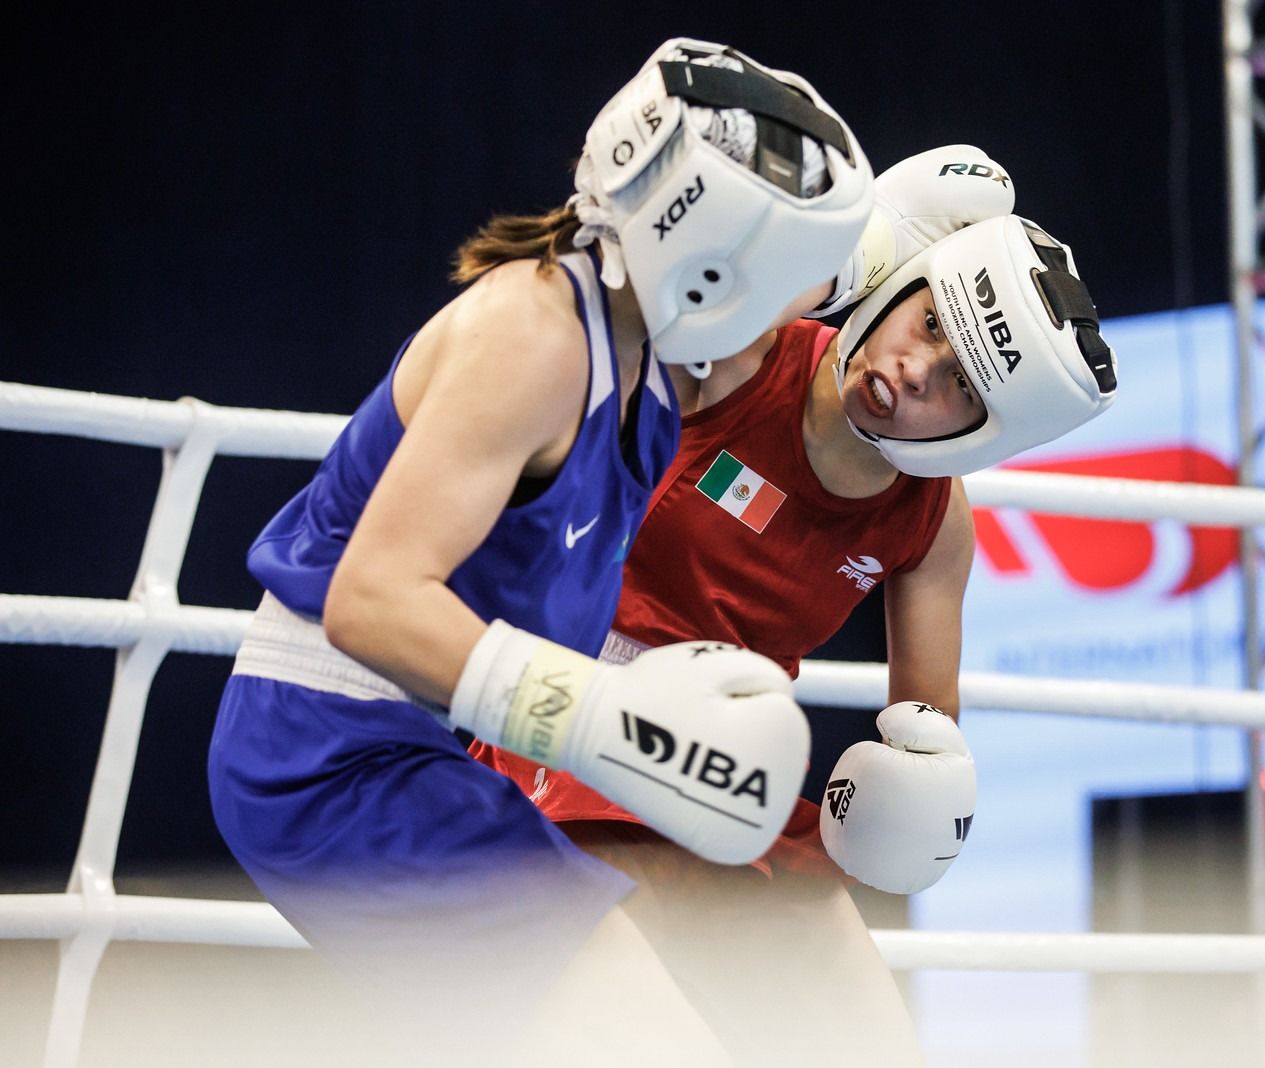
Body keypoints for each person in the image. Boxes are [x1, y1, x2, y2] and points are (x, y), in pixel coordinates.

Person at [205, 37, 876, 1062]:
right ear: (716, 264)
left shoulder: (648, 373)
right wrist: (607, 723)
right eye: (796, 278)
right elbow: (371, 602)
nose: (810, 308)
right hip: (328, 750)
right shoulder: (534, 338)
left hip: (423, 751)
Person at [470, 181, 1121, 1064]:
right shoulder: (745, 351)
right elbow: (633, 275)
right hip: (576, 715)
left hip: (730, 764)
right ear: (901, 285)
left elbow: (927, 734)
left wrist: (916, 802)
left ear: (981, 430)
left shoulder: (932, 521)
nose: (913, 370)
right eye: (929, 323)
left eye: (959, 382)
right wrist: (849, 248)